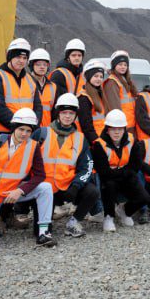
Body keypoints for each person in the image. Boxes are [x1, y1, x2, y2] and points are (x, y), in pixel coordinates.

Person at [0, 108, 56, 248]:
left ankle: (44, 232)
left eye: (28, 131)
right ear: (14, 128)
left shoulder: (33, 147)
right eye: (21, 129)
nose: (24, 134)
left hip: (11, 193)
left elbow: (40, 175)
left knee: (46, 187)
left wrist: (20, 191)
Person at [38, 93, 99, 239]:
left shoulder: (80, 138)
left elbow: (87, 167)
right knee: (40, 232)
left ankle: (73, 223)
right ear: (58, 114)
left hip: (68, 187)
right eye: (64, 112)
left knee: (92, 192)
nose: (67, 116)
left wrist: (76, 186)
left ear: (75, 115)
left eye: (71, 113)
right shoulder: (42, 133)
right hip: (45, 189)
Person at [91, 109, 145, 230]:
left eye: (120, 129)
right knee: (109, 186)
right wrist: (124, 172)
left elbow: (136, 165)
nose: (117, 132)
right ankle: (109, 217)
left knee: (144, 198)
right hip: (110, 179)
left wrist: (123, 173)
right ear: (107, 129)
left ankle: (124, 211)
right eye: (113, 129)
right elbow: (104, 172)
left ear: (124, 129)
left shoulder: (132, 140)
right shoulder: (99, 144)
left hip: (126, 176)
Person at [0, 38, 41, 136]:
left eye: (24, 58)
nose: (21, 61)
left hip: (25, 133)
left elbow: (38, 107)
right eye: (18, 57)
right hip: (1, 133)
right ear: (10, 57)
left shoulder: (31, 79)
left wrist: (31, 126)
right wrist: (18, 126)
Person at [103, 51, 139, 133]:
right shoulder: (112, 82)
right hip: (122, 127)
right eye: (120, 64)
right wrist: (120, 126)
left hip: (131, 126)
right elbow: (114, 108)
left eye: (125, 65)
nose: (123, 67)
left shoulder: (126, 81)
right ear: (114, 66)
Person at [76, 59, 109, 142]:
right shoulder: (84, 98)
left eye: (101, 77)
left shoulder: (100, 95)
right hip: (92, 141)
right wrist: (96, 142)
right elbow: (86, 127)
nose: (99, 79)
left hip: (102, 138)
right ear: (88, 77)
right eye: (95, 76)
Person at [48, 38, 86, 106]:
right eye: (73, 55)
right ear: (68, 57)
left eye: (79, 55)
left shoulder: (83, 75)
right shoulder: (59, 74)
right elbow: (56, 99)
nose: (77, 58)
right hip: (65, 113)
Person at [28, 48, 54, 127]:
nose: (42, 67)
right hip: (29, 128)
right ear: (32, 65)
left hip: (46, 130)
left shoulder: (53, 86)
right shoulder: (25, 83)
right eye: (38, 64)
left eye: (45, 64)